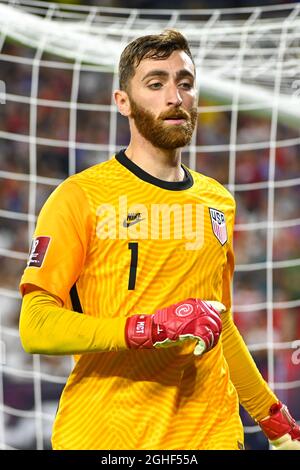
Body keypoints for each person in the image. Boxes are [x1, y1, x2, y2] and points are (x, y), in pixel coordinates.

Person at [19, 29, 300, 451]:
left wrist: (269, 413)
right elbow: (36, 326)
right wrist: (146, 328)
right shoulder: (80, 197)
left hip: (211, 431)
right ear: (123, 102)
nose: (175, 96)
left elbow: (218, 321)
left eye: (184, 83)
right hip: (107, 434)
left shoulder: (217, 201)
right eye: (156, 83)